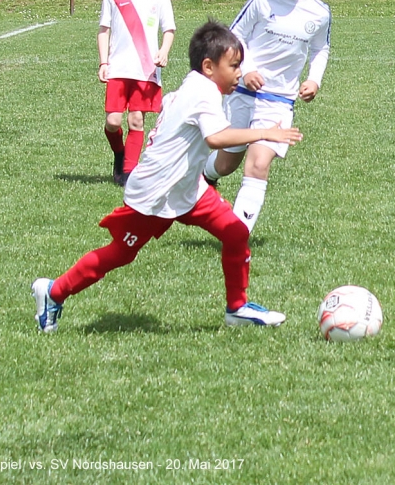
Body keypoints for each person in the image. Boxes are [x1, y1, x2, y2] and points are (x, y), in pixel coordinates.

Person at [32, 21, 302, 333]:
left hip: (189, 189)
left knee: (235, 233)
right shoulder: (202, 93)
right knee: (121, 253)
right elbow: (216, 138)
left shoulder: (196, 86)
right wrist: (265, 133)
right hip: (156, 192)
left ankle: (237, 307)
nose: (239, 73)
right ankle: (53, 291)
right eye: (234, 66)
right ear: (209, 67)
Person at [203, 0, 331, 234]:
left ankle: (236, 235)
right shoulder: (262, 0)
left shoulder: (320, 13)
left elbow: (320, 49)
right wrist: (247, 69)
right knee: (226, 165)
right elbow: (234, 36)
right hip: (243, 93)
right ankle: (204, 177)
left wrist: (314, 79)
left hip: (280, 100)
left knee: (258, 163)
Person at [98, 0, 176, 186]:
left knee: (136, 120)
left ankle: (129, 172)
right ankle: (119, 153)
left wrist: (164, 50)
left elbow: (169, 29)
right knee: (113, 121)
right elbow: (104, 30)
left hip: (145, 69)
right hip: (119, 68)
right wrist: (103, 62)